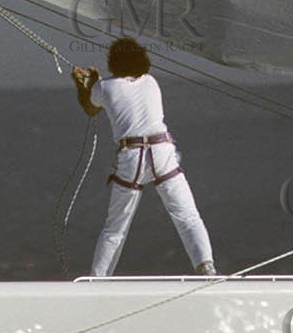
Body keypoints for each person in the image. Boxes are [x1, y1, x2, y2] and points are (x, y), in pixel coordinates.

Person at [72, 37, 216, 278]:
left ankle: (98, 279)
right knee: (188, 216)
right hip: (162, 151)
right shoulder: (151, 82)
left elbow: (90, 107)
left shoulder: (105, 87)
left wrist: (83, 85)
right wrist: (96, 83)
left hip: (131, 156)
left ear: (113, 61)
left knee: (115, 228)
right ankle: (206, 267)